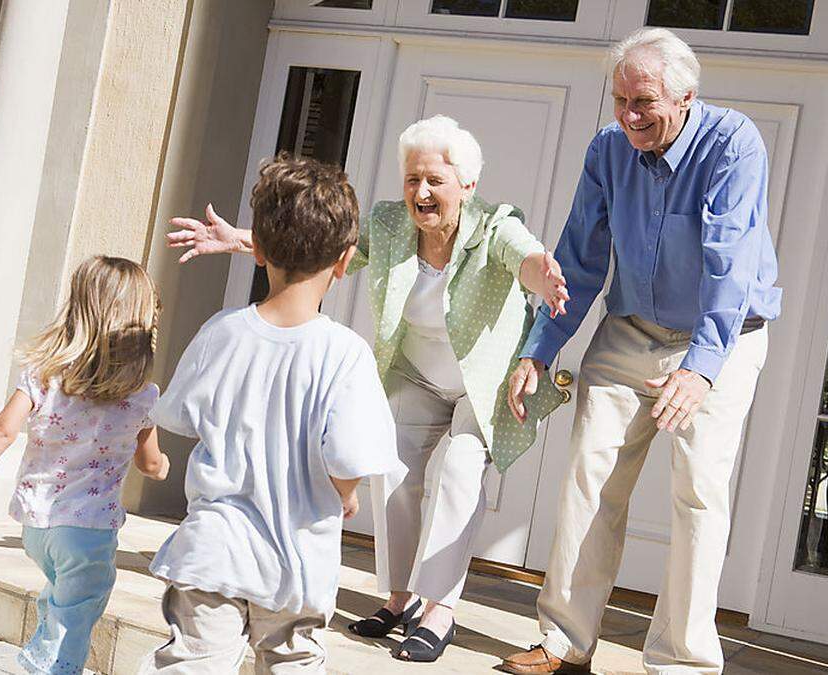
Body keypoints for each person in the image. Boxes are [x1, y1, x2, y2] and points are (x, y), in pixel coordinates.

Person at [167, 115, 569, 662]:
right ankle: (400, 597)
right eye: (411, 180)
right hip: (417, 372)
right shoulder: (388, 223)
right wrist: (244, 241)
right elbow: (321, 248)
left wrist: (540, 275)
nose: (420, 193)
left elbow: (523, 256)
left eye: (434, 181)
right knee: (396, 470)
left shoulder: (495, 226)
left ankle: (439, 607)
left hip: (480, 383)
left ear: (467, 186)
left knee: (457, 470)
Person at [499, 28, 781, 675]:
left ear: (685, 96)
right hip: (630, 330)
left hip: (726, 335)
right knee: (588, 476)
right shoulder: (608, 149)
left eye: (643, 102)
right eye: (620, 100)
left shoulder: (732, 144)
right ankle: (564, 641)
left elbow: (730, 266)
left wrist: (702, 369)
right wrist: (539, 349)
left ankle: (681, 662)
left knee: (698, 492)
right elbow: (579, 255)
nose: (628, 116)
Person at [140, 155, 401, 674]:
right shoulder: (345, 353)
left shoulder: (222, 331)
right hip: (296, 562)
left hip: (213, 551)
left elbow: (177, 416)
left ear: (255, 249)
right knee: (291, 664)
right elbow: (348, 456)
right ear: (346, 259)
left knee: (193, 663)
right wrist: (344, 494)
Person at [0, 255, 169, 675]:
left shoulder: (43, 375)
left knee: (61, 596)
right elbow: (151, 464)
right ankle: (51, 667)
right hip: (89, 532)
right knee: (79, 615)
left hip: (37, 526)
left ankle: (44, 652)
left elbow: (1, 430)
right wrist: (162, 466)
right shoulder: (141, 396)